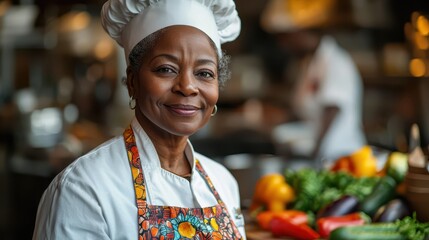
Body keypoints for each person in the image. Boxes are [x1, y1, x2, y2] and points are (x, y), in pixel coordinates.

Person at [32, 0, 246, 239]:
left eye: (204, 73)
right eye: (166, 69)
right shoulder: (84, 189)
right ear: (132, 81)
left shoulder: (223, 182)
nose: (187, 87)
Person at [263, 0, 367, 163]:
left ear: (300, 31)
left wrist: (315, 153)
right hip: (320, 155)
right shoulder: (309, 63)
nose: (282, 45)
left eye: (285, 37)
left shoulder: (336, 62)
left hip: (341, 157)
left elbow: (332, 108)